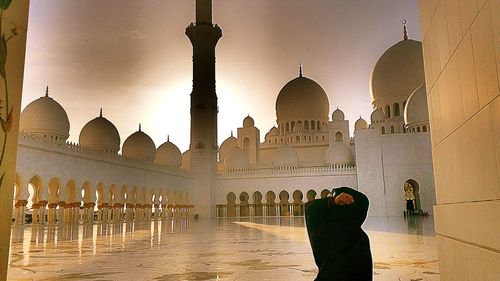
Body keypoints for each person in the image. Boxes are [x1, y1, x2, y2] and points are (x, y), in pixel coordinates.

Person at [305, 187, 372, 281]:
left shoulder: (330, 231)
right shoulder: (360, 238)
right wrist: (333, 201)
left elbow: (312, 209)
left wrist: (332, 202)